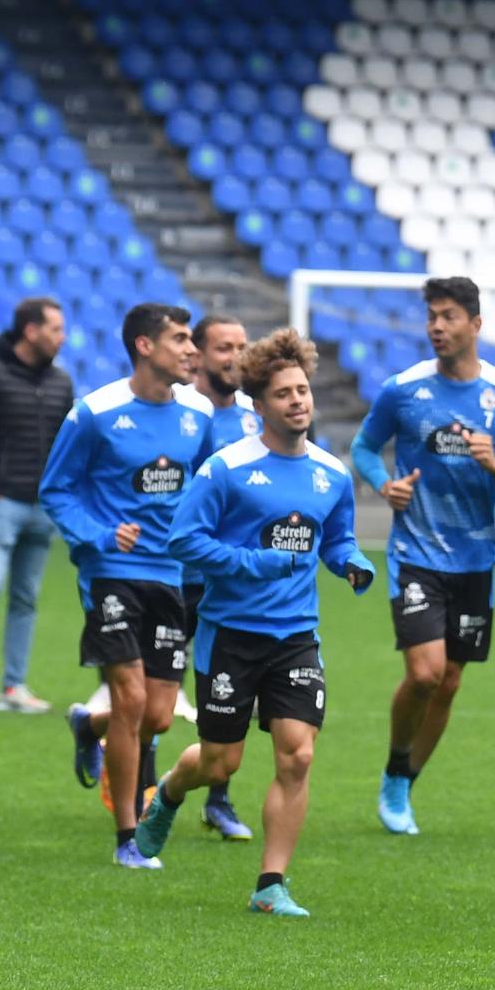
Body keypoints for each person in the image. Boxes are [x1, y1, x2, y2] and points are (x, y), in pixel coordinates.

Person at [134, 330, 373, 914]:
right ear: (259, 404)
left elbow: (335, 539)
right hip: (230, 635)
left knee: (298, 753)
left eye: (303, 390)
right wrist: (254, 562)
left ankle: (270, 885)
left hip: (296, 637)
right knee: (221, 761)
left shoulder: (329, 474)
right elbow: (183, 539)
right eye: (284, 393)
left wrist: (351, 561)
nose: (298, 401)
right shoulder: (226, 469)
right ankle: (167, 793)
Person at [350, 277, 495, 836]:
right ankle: (393, 768)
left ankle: (404, 782)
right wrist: (385, 486)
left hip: (475, 558)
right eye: (432, 316)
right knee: (426, 672)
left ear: (475, 325)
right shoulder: (403, 390)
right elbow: (363, 447)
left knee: (451, 679)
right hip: (416, 552)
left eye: (449, 316)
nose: (437, 326)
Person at [39, 304, 213, 868]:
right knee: (132, 700)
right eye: (181, 340)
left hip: (172, 576)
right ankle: (127, 839)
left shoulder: (198, 414)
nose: (192, 350)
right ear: (144, 346)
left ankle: (87, 725)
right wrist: (101, 534)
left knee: (157, 717)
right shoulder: (94, 412)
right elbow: (57, 489)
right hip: (110, 573)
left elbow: (210, 489)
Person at [171, 314, 258, 831]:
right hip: (176, 572)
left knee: (229, 687)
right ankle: (139, 781)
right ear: (198, 355)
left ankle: (218, 798)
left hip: (231, 580)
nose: (236, 358)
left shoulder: (255, 415)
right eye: (224, 348)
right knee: (160, 691)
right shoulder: (179, 414)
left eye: (243, 347)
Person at [0, 297, 72, 714]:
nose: (62, 337)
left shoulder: (61, 382)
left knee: (26, 598)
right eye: (55, 329)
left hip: (42, 508)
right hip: (4, 503)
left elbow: (67, 445)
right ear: (31, 331)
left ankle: (14, 687)